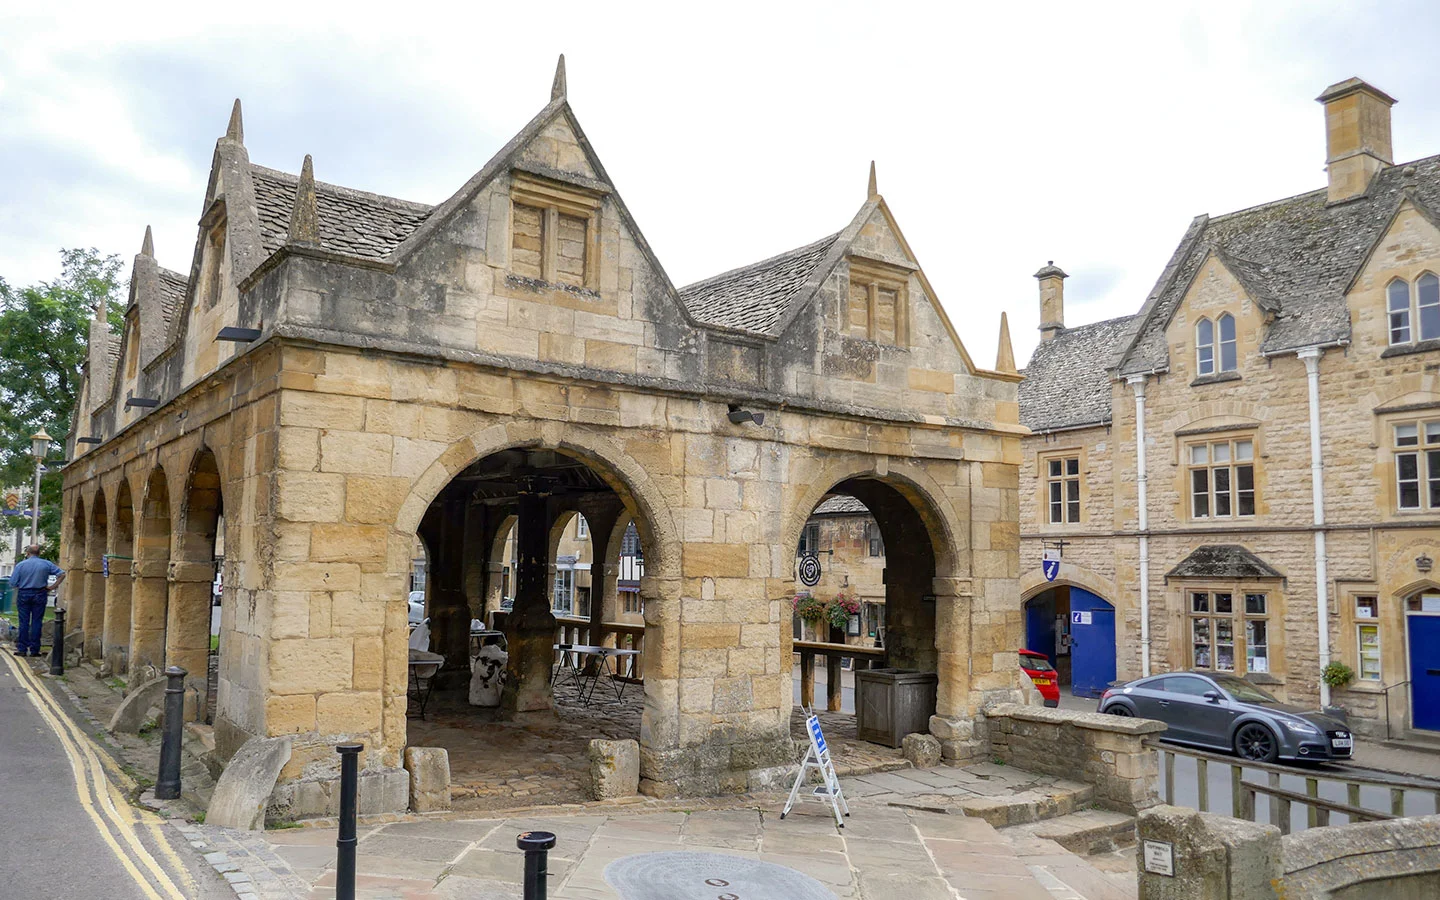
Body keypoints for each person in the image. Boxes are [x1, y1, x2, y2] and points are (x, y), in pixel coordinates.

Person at [10, 545, 64, 658]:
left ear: (28, 553)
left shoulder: (21, 565)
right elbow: (62, 574)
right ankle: (35, 650)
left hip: (24, 593)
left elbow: (13, 582)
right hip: (40, 593)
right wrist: (52, 587)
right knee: (37, 621)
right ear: (39, 553)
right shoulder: (46, 564)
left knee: (23, 622)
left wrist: (22, 584)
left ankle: (22, 649)